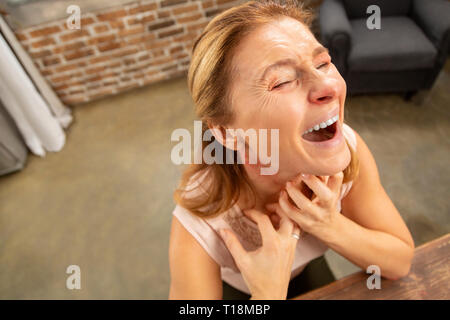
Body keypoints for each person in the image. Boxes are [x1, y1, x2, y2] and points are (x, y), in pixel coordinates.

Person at [168, 0, 415, 300]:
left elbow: (399, 261)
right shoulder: (199, 218)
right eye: (282, 81)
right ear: (226, 132)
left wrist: (327, 224)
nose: (328, 86)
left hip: (306, 270)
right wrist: (268, 294)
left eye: (323, 63)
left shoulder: (347, 148)